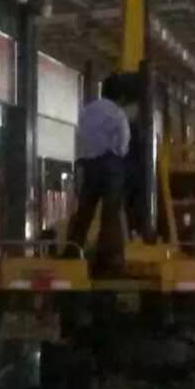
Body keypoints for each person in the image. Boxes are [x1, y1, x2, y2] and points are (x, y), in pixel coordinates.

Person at [66, 74, 130, 274]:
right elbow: (123, 143)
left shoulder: (86, 111)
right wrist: (118, 155)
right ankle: (108, 258)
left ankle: (72, 251)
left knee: (85, 211)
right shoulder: (118, 114)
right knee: (110, 212)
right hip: (110, 164)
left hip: (89, 164)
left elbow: (80, 136)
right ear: (120, 96)